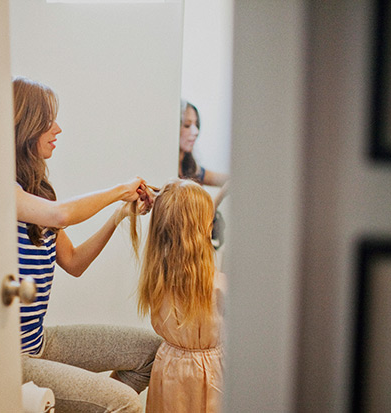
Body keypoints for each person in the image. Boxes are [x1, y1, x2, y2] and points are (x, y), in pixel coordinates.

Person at [12, 76, 161, 413]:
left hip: (38, 341)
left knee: (152, 352)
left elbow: (75, 263)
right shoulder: (3, 189)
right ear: (26, 127)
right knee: (123, 403)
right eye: (49, 121)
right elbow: (62, 215)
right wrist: (118, 190)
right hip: (11, 357)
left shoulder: (36, 192)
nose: (58, 129)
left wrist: (120, 214)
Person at [136, 178, 227, 413]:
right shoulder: (218, 287)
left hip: (169, 369)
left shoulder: (157, 279)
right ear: (204, 231)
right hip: (209, 374)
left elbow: (185, 216)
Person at [179, 100, 229, 249]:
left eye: (196, 125)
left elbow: (228, 179)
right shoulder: (169, 176)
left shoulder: (193, 170)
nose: (195, 132)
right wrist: (218, 198)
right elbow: (192, 222)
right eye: (187, 125)